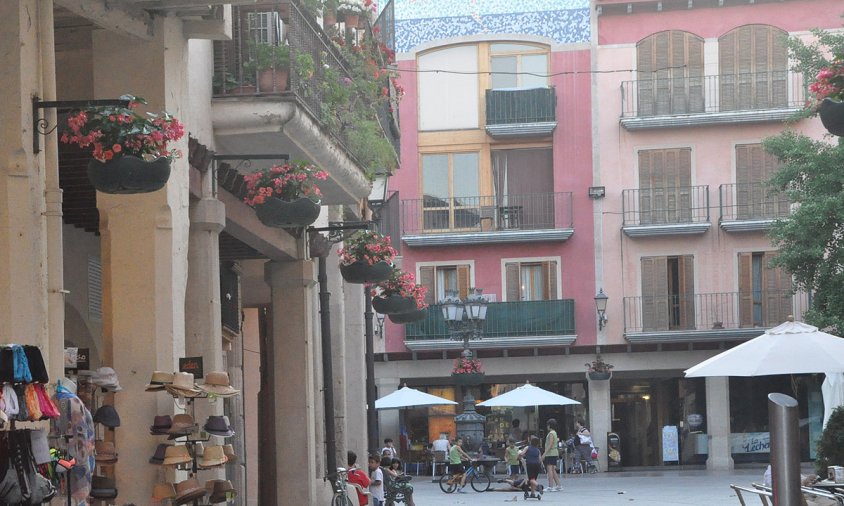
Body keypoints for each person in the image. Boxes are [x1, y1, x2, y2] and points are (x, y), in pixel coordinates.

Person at [543, 418, 562, 491]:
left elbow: (550, 444)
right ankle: (558, 485)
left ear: (549, 425)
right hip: (554, 452)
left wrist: (544, 454)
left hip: (550, 453)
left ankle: (550, 486)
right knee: (553, 470)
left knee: (549, 469)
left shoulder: (551, 433)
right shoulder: (554, 432)